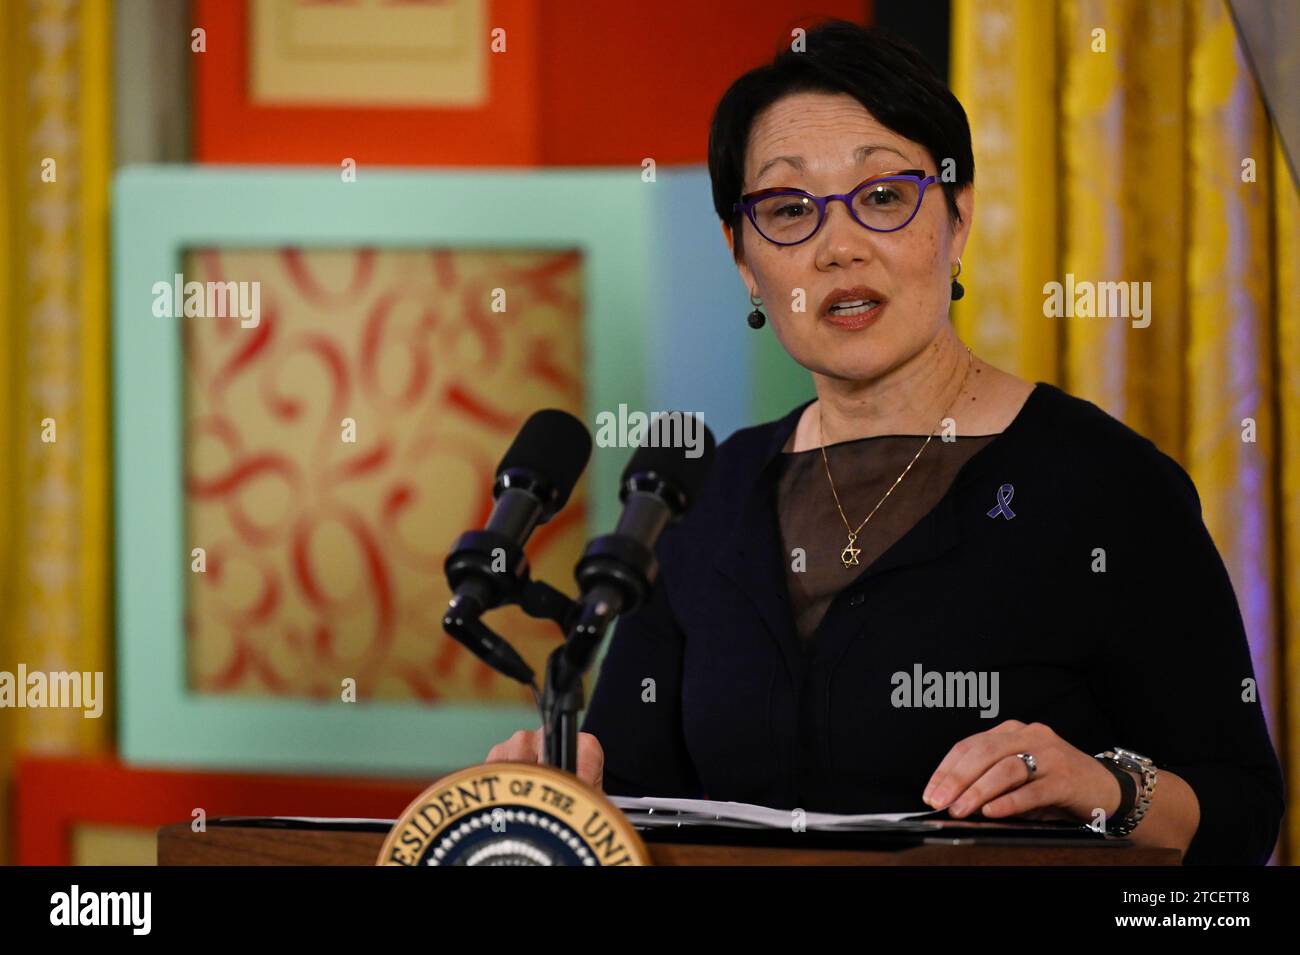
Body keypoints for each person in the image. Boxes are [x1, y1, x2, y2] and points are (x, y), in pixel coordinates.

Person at [485, 19, 1284, 865]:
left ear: (957, 218)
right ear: (744, 260)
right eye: (789, 210)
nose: (839, 247)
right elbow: (636, 786)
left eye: (883, 196)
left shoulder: (1108, 486)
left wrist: (1110, 790)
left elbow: (1241, 807)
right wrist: (571, 783)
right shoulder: (699, 497)